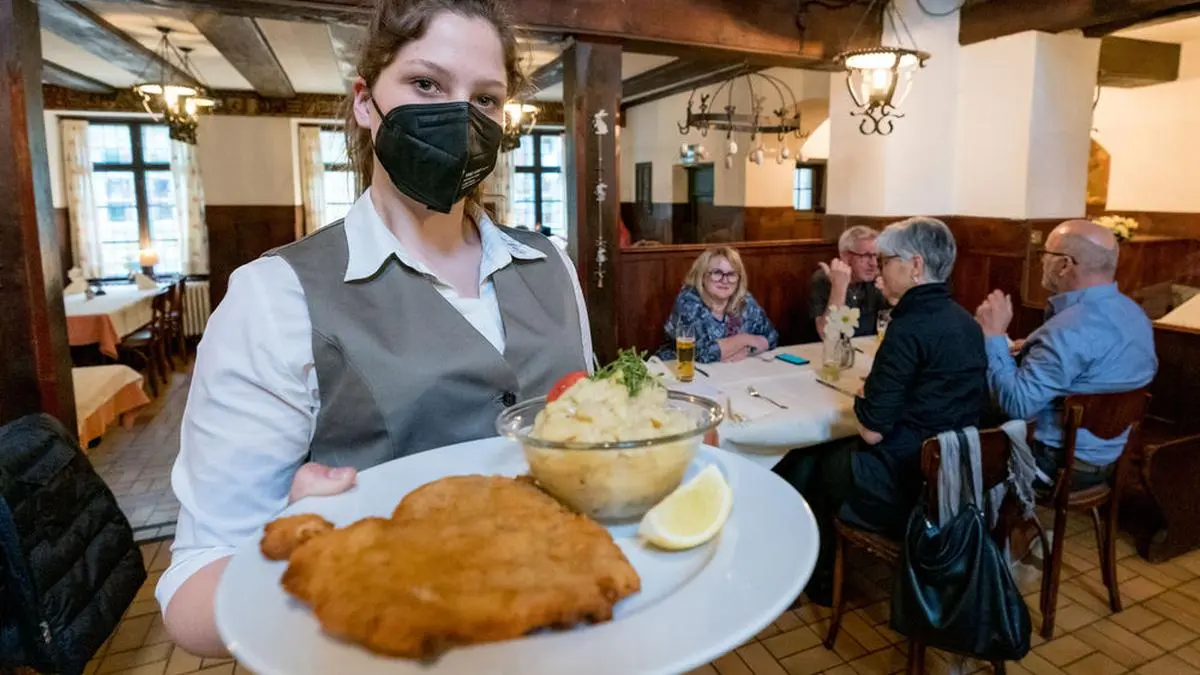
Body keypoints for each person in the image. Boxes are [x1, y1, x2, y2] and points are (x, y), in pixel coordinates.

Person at [157, 0, 593, 657]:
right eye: (426, 84)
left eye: (486, 98)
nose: (459, 116)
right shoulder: (275, 297)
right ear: (365, 101)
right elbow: (193, 599)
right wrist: (316, 532)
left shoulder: (552, 264)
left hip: (575, 643)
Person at [776, 217, 988, 604]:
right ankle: (813, 569)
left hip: (906, 481)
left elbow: (872, 430)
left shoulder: (908, 326)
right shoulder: (966, 322)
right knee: (816, 457)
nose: (880, 270)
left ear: (916, 266)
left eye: (887, 260)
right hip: (955, 474)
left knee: (806, 464)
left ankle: (814, 577)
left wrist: (864, 394)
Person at [975, 219, 1157, 491]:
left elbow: (1016, 404)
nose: (1041, 263)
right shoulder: (1135, 315)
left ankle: (988, 528)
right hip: (1111, 458)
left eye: (1044, 255)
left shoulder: (1067, 332)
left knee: (955, 444)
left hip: (1058, 464)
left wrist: (993, 336)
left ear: (1064, 265)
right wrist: (1033, 349)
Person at [656, 246, 778, 364]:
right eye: (717, 273)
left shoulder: (744, 300)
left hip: (729, 370)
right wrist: (744, 339)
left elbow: (771, 336)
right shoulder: (688, 300)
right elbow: (702, 353)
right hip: (676, 371)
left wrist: (746, 351)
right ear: (702, 276)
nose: (724, 280)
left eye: (731, 274)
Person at [810, 225, 888, 337]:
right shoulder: (823, 279)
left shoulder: (876, 279)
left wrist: (892, 296)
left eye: (875, 256)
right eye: (866, 256)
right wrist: (838, 287)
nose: (873, 263)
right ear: (845, 256)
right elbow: (827, 334)